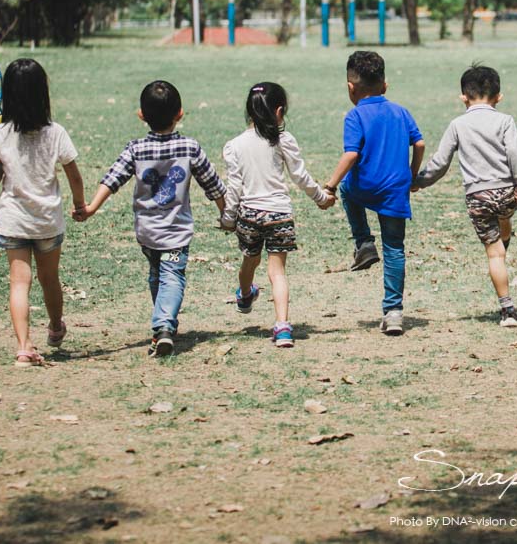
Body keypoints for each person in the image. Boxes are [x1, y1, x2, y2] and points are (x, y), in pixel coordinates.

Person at [77, 80, 226, 356]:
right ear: (179, 113)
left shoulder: (135, 149)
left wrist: (91, 208)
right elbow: (213, 184)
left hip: (146, 232)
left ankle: (163, 325)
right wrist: (225, 213)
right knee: (172, 275)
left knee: (158, 273)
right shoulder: (190, 148)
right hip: (176, 234)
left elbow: (112, 180)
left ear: (141, 115)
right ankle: (165, 325)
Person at [0, 59, 85, 366]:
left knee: (18, 283)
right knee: (49, 278)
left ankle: (24, 346)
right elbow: (75, 177)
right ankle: (55, 327)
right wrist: (80, 204)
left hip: (13, 222)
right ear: (43, 94)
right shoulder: (56, 133)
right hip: (47, 222)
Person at [219, 82, 336, 348]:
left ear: (248, 111)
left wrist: (228, 218)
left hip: (249, 214)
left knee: (250, 260)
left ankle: (246, 294)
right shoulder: (284, 140)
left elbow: (234, 187)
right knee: (278, 272)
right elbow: (300, 176)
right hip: (279, 215)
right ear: (280, 111)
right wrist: (321, 197)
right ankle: (282, 326)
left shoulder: (234, 145)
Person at [413, 65, 517, 327]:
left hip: (478, 196)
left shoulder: (458, 124)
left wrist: (419, 182)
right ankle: (505, 236)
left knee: (494, 255)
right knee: (504, 218)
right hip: (506, 192)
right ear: (499, 96)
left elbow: (441, 163)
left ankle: (507, 310)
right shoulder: (505, 121)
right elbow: (516, 154)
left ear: (463, 97)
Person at [322, 51, 424, 336]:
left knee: (346, 189)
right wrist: (413, 174)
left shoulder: (355, 115)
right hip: (395, 188)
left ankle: (364, 242)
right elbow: (419, 144)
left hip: (363, 186)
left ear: (350, 88)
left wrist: (329, 185)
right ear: (385, 85)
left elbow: (351, 154)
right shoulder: (401, 111)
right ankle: (393, 312)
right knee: (394, 247)